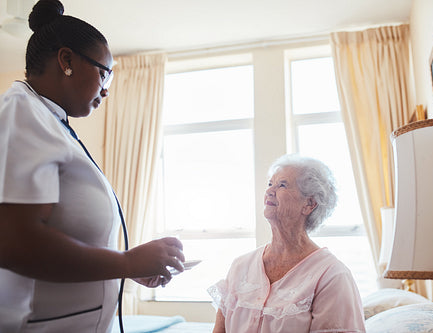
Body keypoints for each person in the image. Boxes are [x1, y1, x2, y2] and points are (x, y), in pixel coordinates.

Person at [0, 0, 184, 332]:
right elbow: (16, 242)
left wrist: (123, 268)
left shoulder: (50, 121)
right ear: (66, 60)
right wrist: (126, 261)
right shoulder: (22, 112)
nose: (106, 91)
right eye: (104, 73)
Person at [208, 154, 366, 333]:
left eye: (282, 185)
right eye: (270, 184)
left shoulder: (332, 276)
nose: (269, 191)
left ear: (309, 204)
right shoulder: (240, 266)